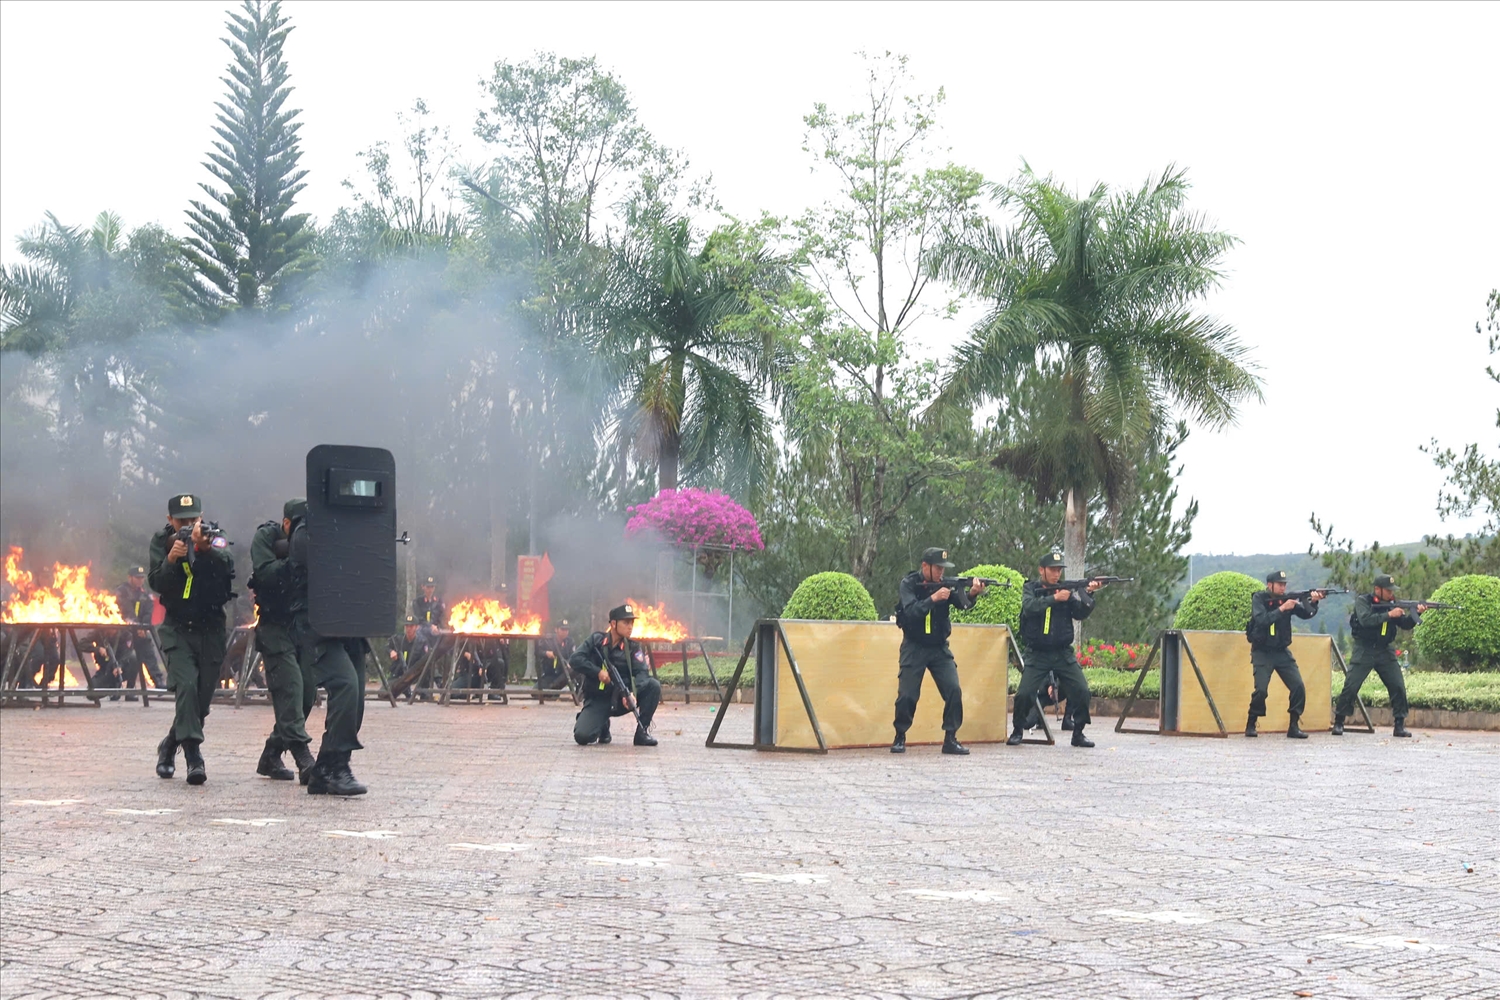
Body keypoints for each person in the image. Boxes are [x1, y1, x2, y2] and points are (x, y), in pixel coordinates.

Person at [148, 493, 236, 785]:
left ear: (202, 517)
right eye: (181, 521)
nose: (188, 525)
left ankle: (169, 744)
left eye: (193, 520)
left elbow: (226, 565)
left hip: (210, 628)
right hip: (178, 628)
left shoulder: (215, 537)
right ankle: (193, 756)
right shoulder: (162, 542)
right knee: (185, 686)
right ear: (169, 520)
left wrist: (204, 546)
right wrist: (171, 560)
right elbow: (156, 583)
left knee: (201, 703)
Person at [288, 509, 370, 795]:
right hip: (318, 625)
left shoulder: (360, 523)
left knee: (356, 695)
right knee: (346, 685)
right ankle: (336, 768)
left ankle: (326, 768)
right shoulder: (306, 527)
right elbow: (302, 551)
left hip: (349, 624)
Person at [891, 547, 985, 755]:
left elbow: (961, 604)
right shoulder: (909, 584)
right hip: (914, 646)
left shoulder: (945, 584)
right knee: (907, 695)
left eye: (944, 568)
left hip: (939, 647)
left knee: (953, 690)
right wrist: (932, 598)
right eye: (938, 568)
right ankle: (900, 736)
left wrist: (972, 593)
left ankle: (950, 738)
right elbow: (911, 611)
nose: (942, 572)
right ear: (925, 566)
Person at [248, 499, 316, 783]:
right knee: (290, 686)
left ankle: (272, 753)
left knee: (306, 693)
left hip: (301, 626)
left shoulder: (313, 542)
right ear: (287, 524)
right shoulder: (268, 536)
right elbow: (265, 573)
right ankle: (304, 758)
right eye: (298, 525)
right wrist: (294, 561)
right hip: (274, 626)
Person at [1009, 550, 1101, 749]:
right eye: (1052, 569)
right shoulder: (1031, 588)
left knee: (1082, 691)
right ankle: (1017, 730)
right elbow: (1029, 607)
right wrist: (1054, 599)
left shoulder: (1066, 591)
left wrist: (1089, 593)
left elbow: (1080, 613)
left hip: (1062, 653)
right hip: (1037, 653)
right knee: (1024, 694)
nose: (1056, 574)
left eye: (1059, 570)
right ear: (1041, 570)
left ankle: (1078, 733)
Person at [1335, 574, 1419, 738]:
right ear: (1377, 590)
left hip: (1384, 650)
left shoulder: (1392, 604)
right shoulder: (1363, 601)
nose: (1390, 594)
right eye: (1388, 591)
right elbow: (1366, 620)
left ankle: (1399, 724)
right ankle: (1339, 721)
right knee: (1351, 685)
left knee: (1398, 686)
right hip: (1364, 648)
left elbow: (1405, 624)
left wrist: (1417, 615)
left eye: (1392, 591)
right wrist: (1389, 615)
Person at [1245, 569, 1323, 739]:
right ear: (1269, 585)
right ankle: (1251, 722)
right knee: (1261, 691)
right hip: (1262, 651)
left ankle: (1293, 726)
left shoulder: (1287, 599)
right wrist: (1282, 608)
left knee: (1298, 687)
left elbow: (1306, 613)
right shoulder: (1259, 598)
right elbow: (1262, 620)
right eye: (1279, 585)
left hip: (1281, 652)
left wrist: (1314, 602)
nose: (1282, 588)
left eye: (1284, 585)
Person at [568, 604, 660, 747]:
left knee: (653, 685)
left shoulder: (633, 648)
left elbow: (642, 673)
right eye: (626, 623)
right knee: (582, 736)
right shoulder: (596, 640)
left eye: (632, 623)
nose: (630, 627)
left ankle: (642, 733)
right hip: (598, 699)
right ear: (613, 623)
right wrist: (597, 672)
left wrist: (632, 693)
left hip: (621, 699)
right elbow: (575, 659)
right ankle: (602, 726)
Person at [115, 565, 160, 697]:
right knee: (124, 658)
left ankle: (159, 682)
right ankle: (116, 687)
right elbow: (126, 610)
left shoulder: (144, 594)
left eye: (141, 578)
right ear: (130, 577)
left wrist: (143, 626)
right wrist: (137, 626)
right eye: (137, 578)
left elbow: (148, 612)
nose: (140, 580)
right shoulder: (122, 591)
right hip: (124, 631)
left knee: (149, 653)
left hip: (140, 630)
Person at [535, 619, 573, 691]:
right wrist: (546, 653)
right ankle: (553, 691)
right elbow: (537, 652)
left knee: (577, 670)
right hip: (550, 674)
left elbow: (573, 655)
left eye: (567, 630)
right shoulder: (547, 640)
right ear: (556, 629)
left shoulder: (570, 642)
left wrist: (569, 662)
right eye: (562, 629)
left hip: (564, 673)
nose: (565, 632)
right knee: (535, 692)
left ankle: (576, 693)